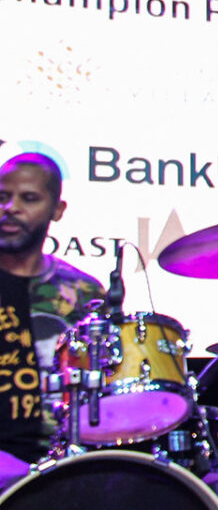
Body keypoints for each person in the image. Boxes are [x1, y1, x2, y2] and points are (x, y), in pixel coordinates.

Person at [0, 141, 108, 486]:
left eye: (29, 198)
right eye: (3, 197)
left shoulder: (85, 293)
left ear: (57, 210)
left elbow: (105, 399)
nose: (11, 208)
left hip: (63, 470)